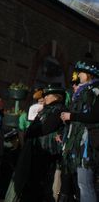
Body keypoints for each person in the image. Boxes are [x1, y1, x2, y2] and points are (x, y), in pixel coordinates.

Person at [5, 85, 66, 202]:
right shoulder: (45, 109)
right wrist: (31, 131)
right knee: (32, 182)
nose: (45, 97)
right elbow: (32, 129)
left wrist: (32, 131)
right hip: (36, 149)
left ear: (57, 97)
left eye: (48, 95)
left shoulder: (59, 109)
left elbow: (45, 128)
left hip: (48, 152)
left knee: (41, 184)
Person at [60, 60, 99, 202]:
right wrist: (69, 120)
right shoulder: (84, 91)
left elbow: (95, 115)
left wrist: (72, 116)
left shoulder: (95, 90)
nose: (78, 76)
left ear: (88, 74)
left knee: (85, 184)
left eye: (80, 73)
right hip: (78, 144)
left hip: (87, 144)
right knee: (82, 184)